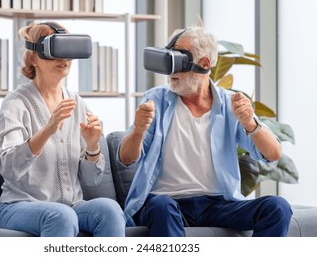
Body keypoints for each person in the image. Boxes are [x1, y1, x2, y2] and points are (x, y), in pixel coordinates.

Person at [118, 25, 292, 237]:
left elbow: (273, 154)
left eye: (179, 59)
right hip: (166, 202)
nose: (171, 70)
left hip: (218, 204)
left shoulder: (230, 103)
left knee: (277, 207)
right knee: (162, 206)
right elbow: (126, 159)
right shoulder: (155, 100)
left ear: (204, 63)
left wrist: (250, 124)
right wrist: (138, 130)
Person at [0, 21, 125, 237]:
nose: (64, 59)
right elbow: (8, 168)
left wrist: (92, 147)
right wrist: (48, 129)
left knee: (110, 210)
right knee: (61, 215)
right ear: (33, 57)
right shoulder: (16, 103)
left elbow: (92, 180)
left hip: (72, 206)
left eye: (68, 52)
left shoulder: (77, 103)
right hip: (18, 207)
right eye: (56, 51)